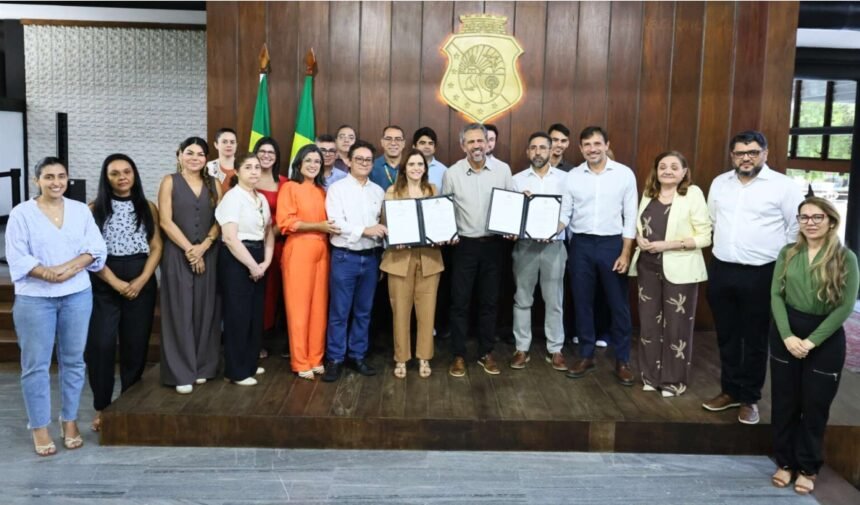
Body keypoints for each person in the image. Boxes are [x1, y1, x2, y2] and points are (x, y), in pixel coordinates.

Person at [6, 157, 106, 456]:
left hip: (77, 294)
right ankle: (39, 426)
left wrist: (68, 268)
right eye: (48, 177)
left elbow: (95, 247)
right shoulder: (22, 213)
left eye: (61, 176)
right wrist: (47, 274)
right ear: (37, 180)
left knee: (74, 361)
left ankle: (69, 420)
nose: (56, 182)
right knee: (36, 365)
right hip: (35, 298)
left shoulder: (80, 210)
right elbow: (17, 255)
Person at [704, 130, 804, 424]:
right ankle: (729, 391)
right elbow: (713, 220)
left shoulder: (783, 186)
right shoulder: (720, 183)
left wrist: (783, 266)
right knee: (727, 335)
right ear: (732, 155)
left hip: (763, 272)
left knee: (756, 338)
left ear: (765, 154)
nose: (746, 158)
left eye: (752, 152)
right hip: (722, 269)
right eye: (740, 153)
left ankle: (749, 398)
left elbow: (795, 228)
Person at [768, 196, 858, 495]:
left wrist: (811, 341)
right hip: (787, 333)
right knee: (784, 403)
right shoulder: (788, 252)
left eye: (817, 217)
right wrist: (787, 336)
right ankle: (784, 462)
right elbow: (776, 295)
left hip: (825, 338)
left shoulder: (846, 258)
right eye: (804, 217)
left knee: (815, 406)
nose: (810, 222)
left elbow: (845, 307)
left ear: (831, 221)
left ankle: (808, 467)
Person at [86, 154, 162, 432]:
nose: (122, 177)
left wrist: (142, 279)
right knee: (101, 345)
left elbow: (156, 246)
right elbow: (89, 252)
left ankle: (128, 405)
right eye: (115, 173)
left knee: (135, 346)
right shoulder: (93, 209)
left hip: (141, 281)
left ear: (134, 174)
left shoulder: (148, 207)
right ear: (106, 178)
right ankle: (102, 407)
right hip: (104, 281)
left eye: (127, 171)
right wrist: (115, 282)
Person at [558, 126, 638, 385]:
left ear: (606, 145)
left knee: (618, 304)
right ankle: (586, 355)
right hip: (580, 245)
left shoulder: (624, 174)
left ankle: (622, 359)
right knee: (582, 302)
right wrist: (544, 228)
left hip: (612, 244)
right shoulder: (573, 177)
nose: (592, 149)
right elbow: (564, 213)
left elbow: (631, 216)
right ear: (580, 148)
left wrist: (625, 252)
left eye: (597, 144)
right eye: (587, 145)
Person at [628, 151, 711, 397]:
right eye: (662, 166)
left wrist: (668, 245)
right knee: (648, 325)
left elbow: (705, 237)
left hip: (681, 269)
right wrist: (640, 239)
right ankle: (650, 376)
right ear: (656, 170)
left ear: (684, 172)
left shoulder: (692, 194)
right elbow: (641, 226)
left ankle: (673, 381)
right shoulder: (649, 193)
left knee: (677, 328)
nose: (667, 171)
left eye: (674, 167)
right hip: (647, 266)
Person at [442, 123, 513, 377]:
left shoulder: (503, 170)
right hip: (464, 246)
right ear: (463, 146)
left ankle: (486, 352)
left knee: (489, 301)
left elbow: (511, 204)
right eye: (471, 142)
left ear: (487, 142)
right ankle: (458, 354)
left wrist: (513, 225)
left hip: (494, 245)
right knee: (460, 302)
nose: (476, 146)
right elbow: (446, 209)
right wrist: (447, 232)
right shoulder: (452, 173)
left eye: (480, 141)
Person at [158, 137, 223, 394]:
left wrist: (204, 247)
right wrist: (190, 250)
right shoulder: (169, 181)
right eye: (190, 153)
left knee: (206, 309)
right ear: (179, 155)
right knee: (179, 311)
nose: (195, 158)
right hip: (177, 254)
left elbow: (221, 220)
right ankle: (180, 372)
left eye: (200, 154)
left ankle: (203, 366)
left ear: (206, 159)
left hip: (209, 253)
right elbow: (165, 221)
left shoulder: (215, 183)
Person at [323, 140, 387, 382]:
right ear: (348, 161)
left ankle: (357, 355)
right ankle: (335, 359)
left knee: (364, 312)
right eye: (359, 159)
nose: (364, 163)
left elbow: (383, 226)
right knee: (339, 312)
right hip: (345, 257)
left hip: (371, 258)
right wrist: (365, 230)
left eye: (368, 160)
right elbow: (335, 223)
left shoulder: (378, 191)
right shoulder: (336, 189)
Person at [380, 150, 444, 379]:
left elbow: (440, 222)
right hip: (400, 259)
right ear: (404, 168)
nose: (416, 168)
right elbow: (386, 223)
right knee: (400, 311)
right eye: (412, 164)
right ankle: (401, 358)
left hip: (429, 258)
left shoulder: (433, 190)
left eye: (420, 164)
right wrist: (394, 237)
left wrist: (443, 234)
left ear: (425, 168)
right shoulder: (392, 191)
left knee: (427, 311)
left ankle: (424, 357)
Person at [277, 144, 339, 379]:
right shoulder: (290, 187)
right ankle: (300, 360)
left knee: (319, 307)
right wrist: (318, 226)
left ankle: (315, 357)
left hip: (323, 250)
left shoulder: (323, 191)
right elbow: (286, 222)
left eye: (317, 161)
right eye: (309, 161)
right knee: (299, 308)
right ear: (299, 164)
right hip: (299, 249)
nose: (313, 165)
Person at [510, 132, 568, 372]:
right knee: (522, 299)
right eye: (533, 148)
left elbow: (568, 211)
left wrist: (555, 228)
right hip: (526, 246)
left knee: (554, 300)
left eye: (543, 147)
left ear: (551, 150)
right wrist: (520, 206)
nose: (538, 152)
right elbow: (510, 213)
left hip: (554, 246)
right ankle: (521, 348)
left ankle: (555, 349)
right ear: (528, 152)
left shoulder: (565, 179)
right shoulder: (516, 180)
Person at [216, 152, 274, 386]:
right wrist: (252, 265)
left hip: (259, 257)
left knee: (254, 314)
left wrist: (266, 262)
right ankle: (235, 371)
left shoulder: (261, 198)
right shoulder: (233, 197)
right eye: (248, 167)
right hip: (237, 259)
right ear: (237, 171)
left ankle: (249, 363)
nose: (254, 171)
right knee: (237, 315)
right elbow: (230, 238)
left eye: (257, 167)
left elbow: (268, 232)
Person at [253, 137, 286, 359]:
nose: (266, 156)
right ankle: (256, 340)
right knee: (259, 294)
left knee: (278, 294)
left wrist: (272, 234)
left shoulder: (285, 182)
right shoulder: (248, 180)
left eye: (271, 152)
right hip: (254, 245)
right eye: (262, 151)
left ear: (276, 157)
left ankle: (279, 340)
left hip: (280, 244)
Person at [370, 125, 405, 191]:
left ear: (403, 143)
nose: (393, 143)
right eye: (388, 139)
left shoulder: (410, 166)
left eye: (398, 139)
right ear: (382, 142)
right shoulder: (371, 166)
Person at [206, 127, 238, 193]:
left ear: (236, 145)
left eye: (232, 142)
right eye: (224, 142)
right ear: (216, 145)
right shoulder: (209, 167)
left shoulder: (243, 165)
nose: (229, 145)